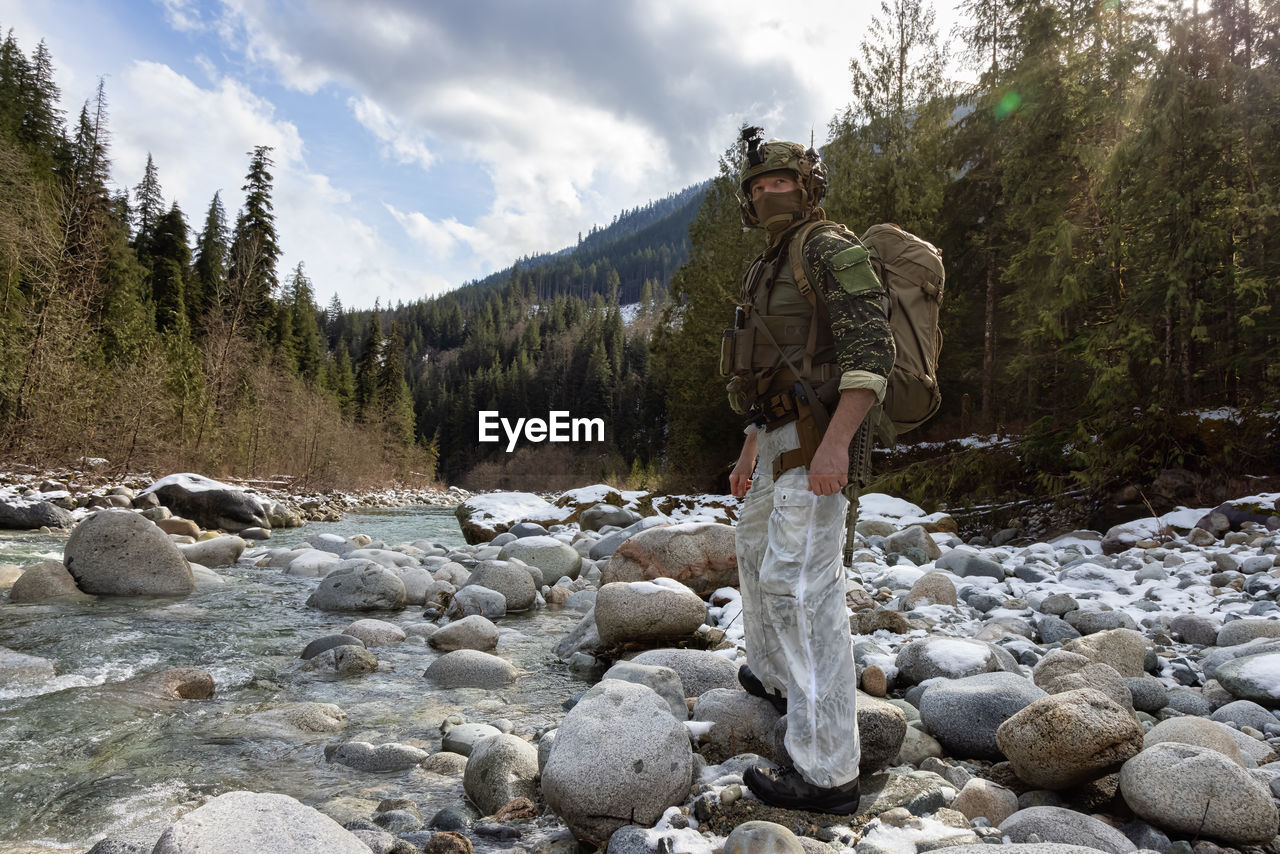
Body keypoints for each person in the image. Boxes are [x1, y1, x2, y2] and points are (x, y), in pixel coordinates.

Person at [725, 128, 894, 814]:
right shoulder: (764, 268)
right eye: (760, 185)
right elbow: (761, 371)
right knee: (754, 551)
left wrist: (837, 447)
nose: (771, 194)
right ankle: (774, 678)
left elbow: (873, 349)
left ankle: (828, 772)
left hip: (822, 436)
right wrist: (749, 445)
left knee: (801, 588)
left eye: (782, 182)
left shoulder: (829, 248)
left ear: (808, 186)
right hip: (775, 436)